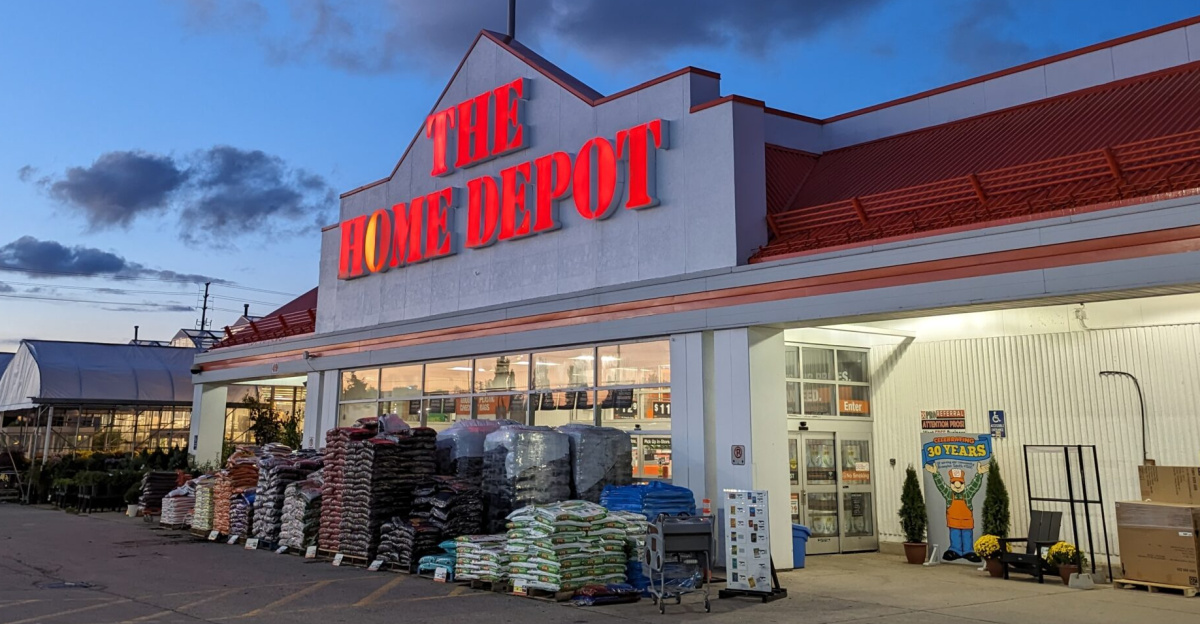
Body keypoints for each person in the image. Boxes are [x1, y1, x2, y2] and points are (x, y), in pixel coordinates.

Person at [926, 462, 989, 562]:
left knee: (967, 536)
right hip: (953, 522)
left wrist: (979, 474)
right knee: (955, 536)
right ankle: (955, 550)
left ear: (963, 483)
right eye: (954, 482)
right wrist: (935, 473)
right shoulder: (949, 494)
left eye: (960, 482)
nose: (957, 485)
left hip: (967, 522)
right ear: (951, 483)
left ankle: (968, 551)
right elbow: (941, 486)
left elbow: (974, 486)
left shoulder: (967, 493)